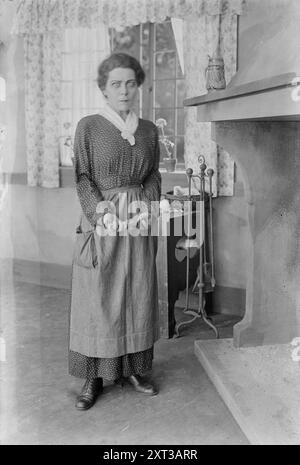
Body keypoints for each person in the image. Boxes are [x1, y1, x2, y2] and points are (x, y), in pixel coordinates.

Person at [68, 53, 162, 410]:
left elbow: (153, 173)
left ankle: (134, 369)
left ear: (138, 86)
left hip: (137, 220)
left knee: (138, 291)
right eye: (116, 84)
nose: (124, 91)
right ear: (103, 89)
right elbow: (82, 177)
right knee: (99, 295)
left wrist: (145, 203)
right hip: (102, 221)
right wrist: (99, 212)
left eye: (130, 83)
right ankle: (93, 377)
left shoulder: (150, 130)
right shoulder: (89, 126)